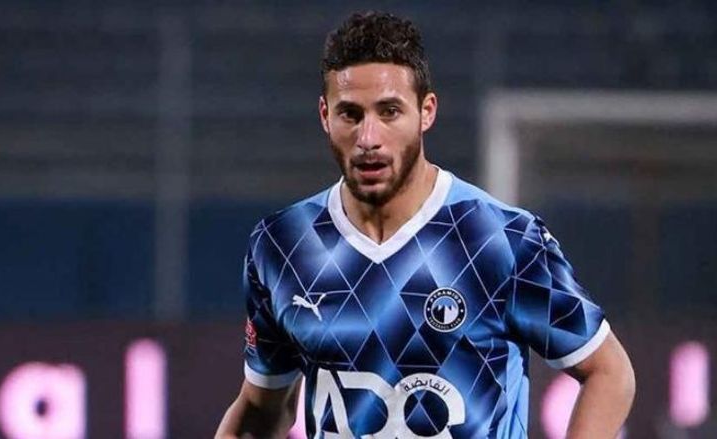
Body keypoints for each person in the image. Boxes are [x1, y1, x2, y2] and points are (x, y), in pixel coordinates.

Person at [217, 11, 635, 438]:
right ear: (325, 116)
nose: (368, 138)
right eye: (350, 115)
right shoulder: (283, 244)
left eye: (389, 112)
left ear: (426, 112)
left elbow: (609, 373)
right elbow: (259, 411)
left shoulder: (499, 239)